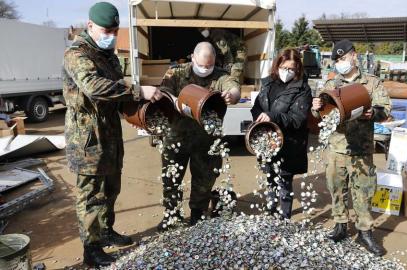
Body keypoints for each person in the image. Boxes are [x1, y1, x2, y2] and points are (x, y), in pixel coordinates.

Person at [63, 2, 162, 267]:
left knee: (111, 188)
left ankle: (106, 231)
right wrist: (138, 91)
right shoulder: (76, 53)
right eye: (107, 30)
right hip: (88, 137)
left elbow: (117, 92)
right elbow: (95, 88)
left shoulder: (109, 57)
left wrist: (139, 111)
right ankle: (91, 248)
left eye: (115, 31)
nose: (112, 35)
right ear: (90, 25)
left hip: (111, 133)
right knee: (91, 193)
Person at [311, 39, 391, 256]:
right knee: (336, 188)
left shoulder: (371, 83)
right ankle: (340, 225)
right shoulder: (331, 85)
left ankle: (365, 232)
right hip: (337, 148)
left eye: (343, 58)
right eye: (336, 60)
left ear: (354, 56)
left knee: (363, 191)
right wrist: (316, 107)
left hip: (361, 148)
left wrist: (372, 113)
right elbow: (320, 114)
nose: (339, 63)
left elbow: (385, 109)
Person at [157, 42, 240, 231]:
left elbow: (233, 87)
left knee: (204, 179)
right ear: (193, 58)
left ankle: (197, 215)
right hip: (176, 136)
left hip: (206, 140)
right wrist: (175, 101)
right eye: (201, 65)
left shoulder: (220, 75)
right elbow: (164, 92)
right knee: (172, 179)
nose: (205, 69)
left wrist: (231, 96)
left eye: (209, 66)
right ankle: (172, 216)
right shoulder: (176, 72)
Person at [251, 48, 312, 219]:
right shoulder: (268, 83)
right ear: (277, 66)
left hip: (289, 143)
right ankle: (270, 211)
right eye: (284, 68)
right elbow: (257, 107)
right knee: (270, 177)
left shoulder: (303, 90)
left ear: (297, 69)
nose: (287, 72)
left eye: (291, 69)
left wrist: (272, 116)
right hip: (268, 142)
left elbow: (297, 119)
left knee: (284, 180)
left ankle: (284, 216)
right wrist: (259, 119)